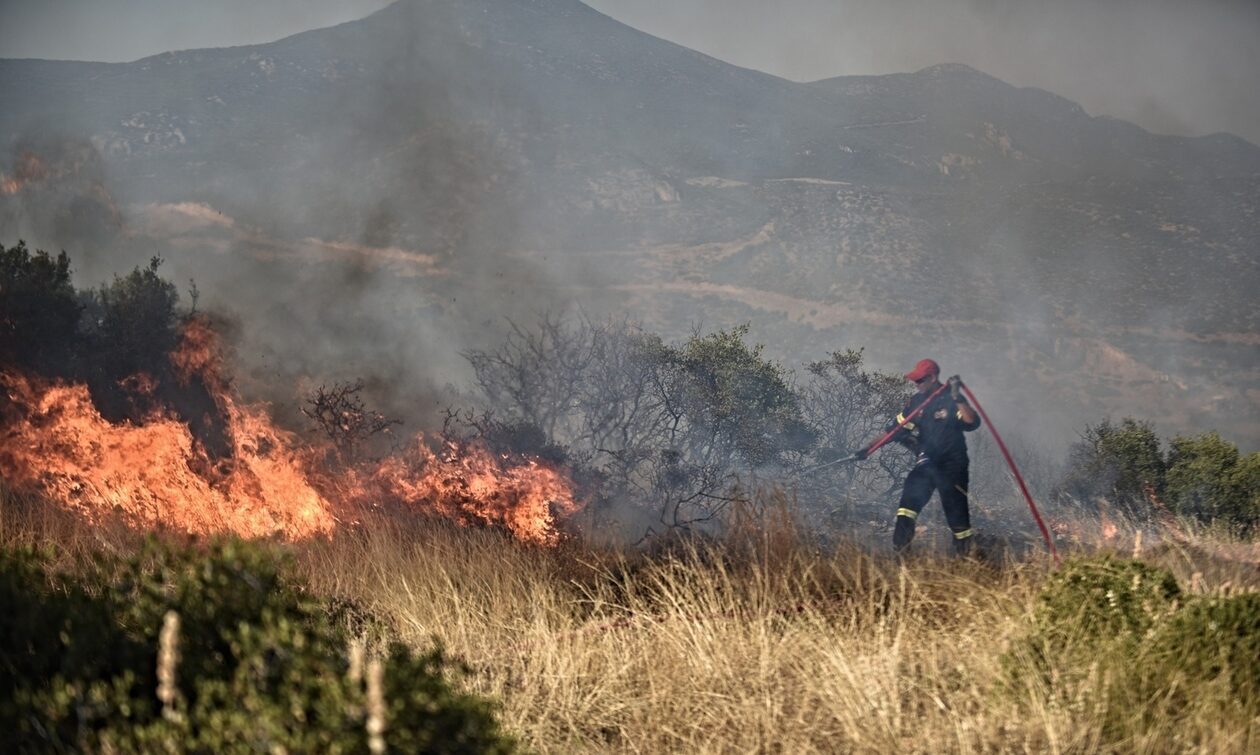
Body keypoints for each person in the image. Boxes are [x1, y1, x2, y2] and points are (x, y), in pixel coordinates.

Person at [857, 358, 981, 554]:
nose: (916, 384)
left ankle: (968, 558)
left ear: (932, 378)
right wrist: (867, 449)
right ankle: (900, 555)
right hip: (927, 463)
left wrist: (959, 398)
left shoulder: (950, 398)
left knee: (957, 516)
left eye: (920, 380)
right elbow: (895, 430)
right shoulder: (916, 402)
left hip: (952, 466)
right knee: (907, 507)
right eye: (915, 381)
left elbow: (971, 422)